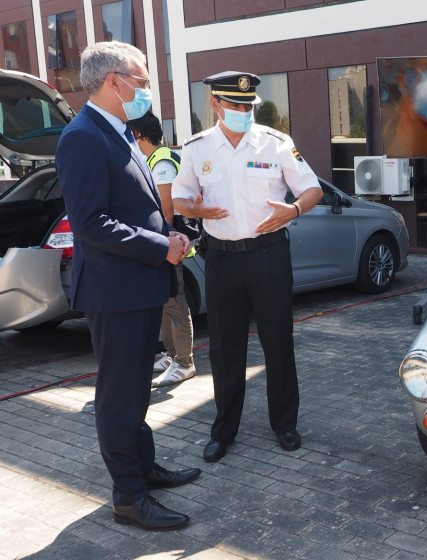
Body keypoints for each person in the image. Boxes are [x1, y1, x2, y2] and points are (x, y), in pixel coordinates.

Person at [54, 41, 199, 532]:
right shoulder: (84, 137)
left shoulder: (116, 131)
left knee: (136, 391)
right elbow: (91, 222)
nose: (146, 89)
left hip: (137, 289)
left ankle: (144, 469)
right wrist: (160, 248)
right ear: (114, 80)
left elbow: (136, 209)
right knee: (119, 396)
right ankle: (129, 498)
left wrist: (170, 235)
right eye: (141, 79)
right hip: (115, 294)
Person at [171, 71, 323, 463]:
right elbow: (180, 198)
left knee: (278, 342)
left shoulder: (276, 143)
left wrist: (292, 209)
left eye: (249, 106)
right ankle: (224, 431)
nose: (244, 111)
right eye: (236, 105)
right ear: (216, 105)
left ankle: (285, 424)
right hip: (221, 258)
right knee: (225, 349)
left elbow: (312, 189)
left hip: (268, 255)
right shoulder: (197, 148)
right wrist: (194, 209)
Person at [128, 112, 197, 387]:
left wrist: (160, 246)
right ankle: (171, 356)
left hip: (168, 244)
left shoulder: (162, 163)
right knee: (166, 301)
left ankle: (184, 362)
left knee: (175, 302)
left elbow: (166, 211)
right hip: (162, 244)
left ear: (137, 135)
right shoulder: (153, 160)